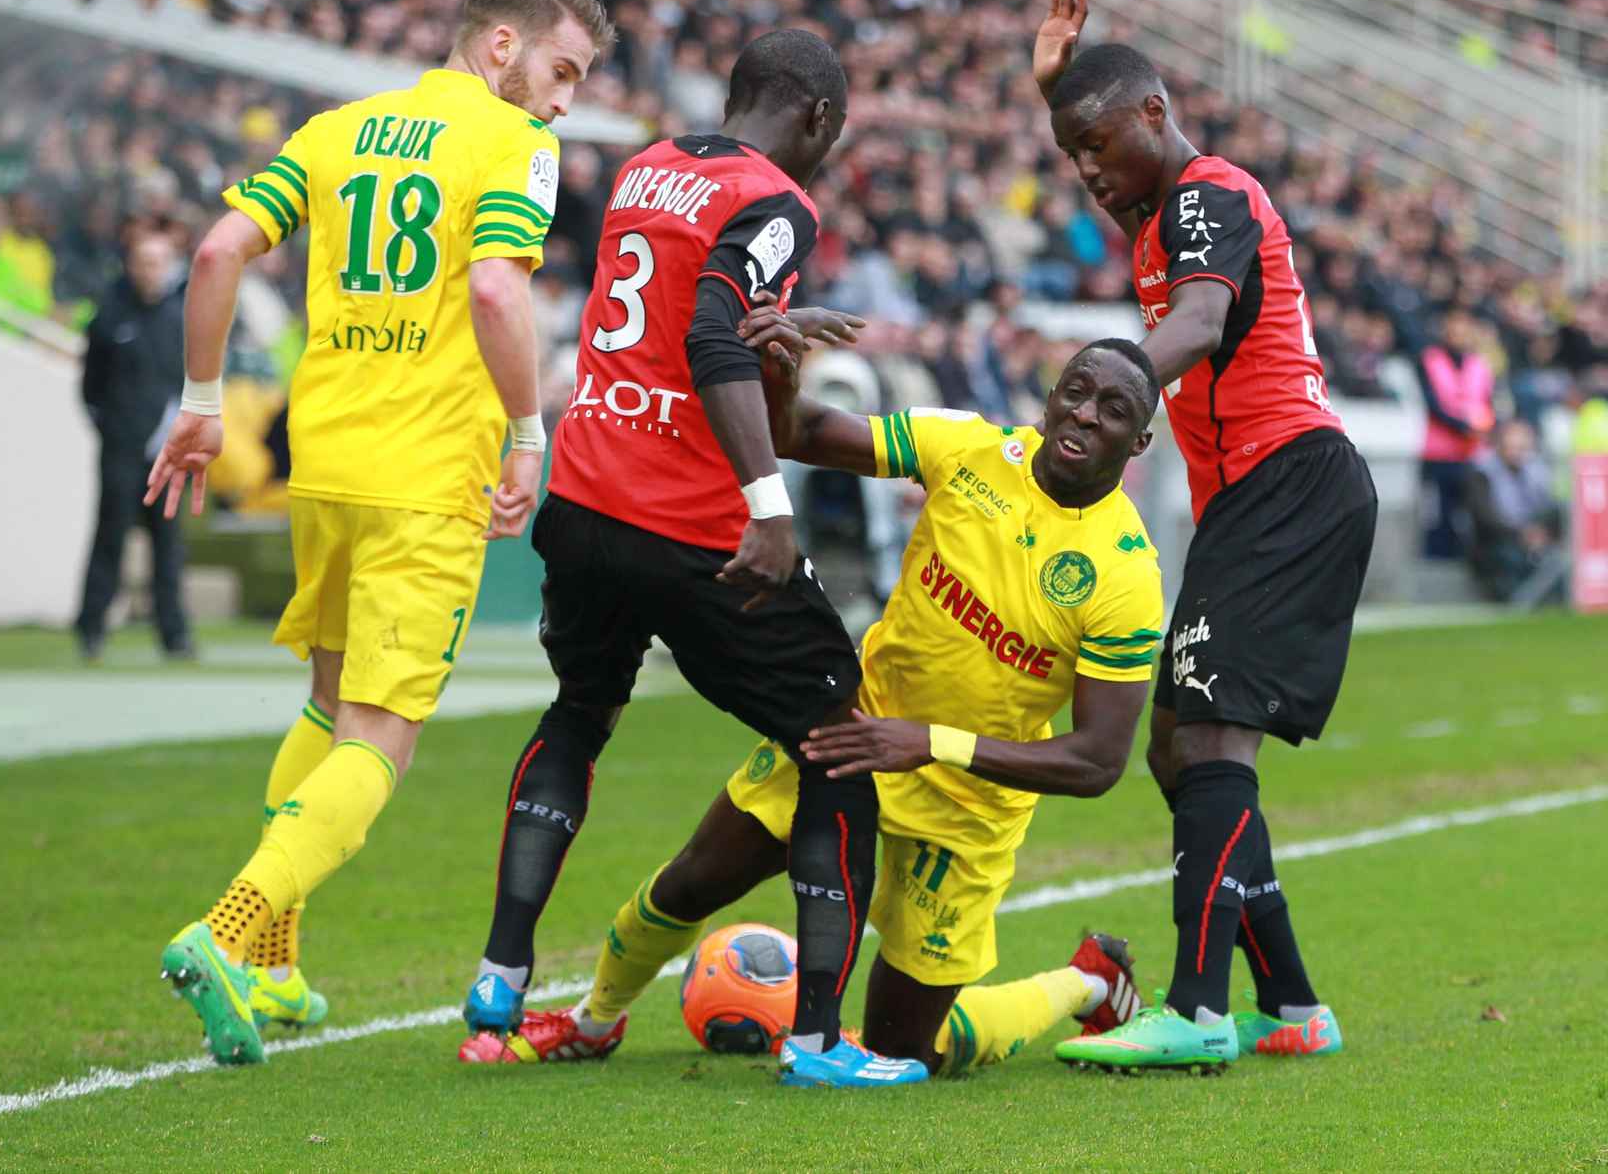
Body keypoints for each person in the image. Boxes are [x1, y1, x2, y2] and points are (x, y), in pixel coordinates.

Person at [141, 0, 614, 1066]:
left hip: (326, 464)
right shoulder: (514, 144)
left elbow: (216, 250)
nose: (563, 98)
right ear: (501, 44)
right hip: (424, 480)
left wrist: (202, 404)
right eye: (562, 67)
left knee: (321, 706)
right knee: (380, 739)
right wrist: (529, 428)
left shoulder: (336, 129)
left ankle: (275, 968)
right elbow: (497, 286)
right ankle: (229, 929)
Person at [494, 334, 1166, 1077]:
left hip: (967, 809)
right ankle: (595, 1018)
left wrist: (928, 742)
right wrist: (783, 378)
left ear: (1138, 440)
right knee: (693, 878)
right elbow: (801, 432)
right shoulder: (970, 449)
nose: (1084, 415)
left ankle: (1088, 978)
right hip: (851, 734)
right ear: (1050, 392)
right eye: (1075, 390)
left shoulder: (1124, 575)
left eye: (1112, 409)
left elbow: (1098, 758)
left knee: (907, 1051)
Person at [458, 28, 923, 1090]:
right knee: (839, 743)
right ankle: (815, 1040)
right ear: (816, 119)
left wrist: (772, 320)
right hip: (686, 517)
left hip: (582, 498)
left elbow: (677, 307)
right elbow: (713, 333)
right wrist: (769, 506)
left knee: (580, 713)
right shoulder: (779, 201)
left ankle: (499, 975)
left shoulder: (648, 165)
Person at [1033, 0, 1378, 1072]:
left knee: (1210, 736)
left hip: (1291, 482)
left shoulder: (1205, 196)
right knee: (1181, 745)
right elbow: (1125, 199)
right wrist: (1054, 92)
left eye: (1096, 144)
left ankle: (1195, 1007)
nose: (1085, 170)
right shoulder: (1154, 212)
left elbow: (1197, 318)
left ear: (1153, 114)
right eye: (1068, 152)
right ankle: (1290, 1003)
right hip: (1256, 496)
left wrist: (1110, 383)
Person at [76, 227, 191, 660]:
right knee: (110, 537)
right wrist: (113, 430)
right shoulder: (109, 316)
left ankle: (175, 635)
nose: (151, 270)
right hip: (121, 450)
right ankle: (91, 628)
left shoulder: (180, 317)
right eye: (144, 260)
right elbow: (90, 389)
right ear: (130, 264)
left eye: (158, 261)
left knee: (168, 544)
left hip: (167, 451)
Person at [1416, 305, 1496, 558]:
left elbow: (1488, 404)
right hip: (1439, 454)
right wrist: (1463, 427)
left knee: (1469, 514)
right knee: (1438, 514)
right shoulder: (1430, 360)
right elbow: (1432, 404)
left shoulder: (1480, 365)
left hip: (1471, 454)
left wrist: (1483, 427)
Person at [1464, 419, 1566, 603]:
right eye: (1511, 446)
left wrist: (1540, 532)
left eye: (1522, 447)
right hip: (1498, 541)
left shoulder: (1536, 471)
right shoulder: (1483, 473)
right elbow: (1485, 517)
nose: (1516, 453)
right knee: (1510, 558)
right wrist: (1522, 533)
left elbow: (1549, 505)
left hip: (1534, 535)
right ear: (1499, 445)